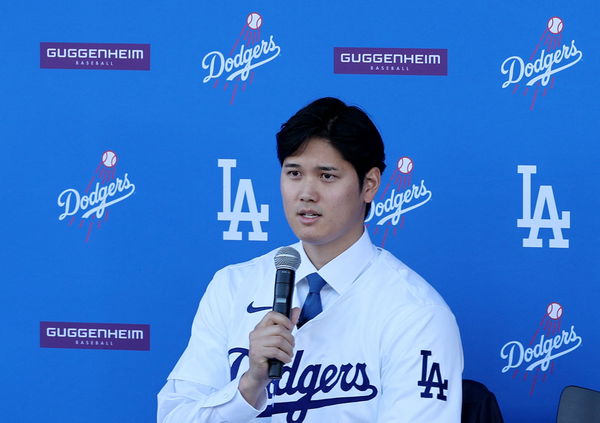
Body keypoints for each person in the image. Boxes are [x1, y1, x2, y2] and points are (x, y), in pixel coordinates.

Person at [157, 97, 463, 422]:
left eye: (326, 176)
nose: (306, 193)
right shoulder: (233, 285)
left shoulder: (416, 312)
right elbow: (175, 415)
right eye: (294, 173)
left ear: (369, 184)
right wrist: (249, 385)